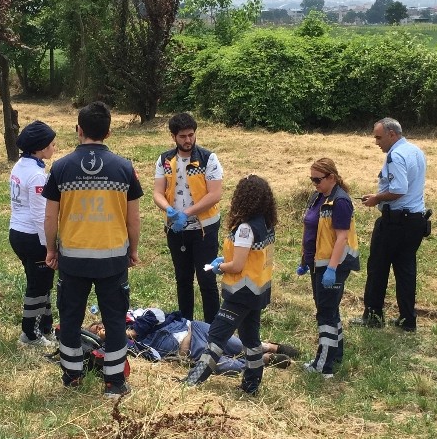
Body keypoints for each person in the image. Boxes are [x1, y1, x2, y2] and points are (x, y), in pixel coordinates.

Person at [42, 101, 143, 399]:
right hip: (112, 259)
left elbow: (50, 216)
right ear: (109, 132)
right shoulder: (124, 168)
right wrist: (133, 249)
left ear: (79, 130)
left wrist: (51, 249)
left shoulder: (60, 168)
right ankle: (114, 382)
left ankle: (72, 376)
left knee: (70, 319)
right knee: (114, 321)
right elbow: (133, 218)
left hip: (73, 259)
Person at [183, 174, 277, 394]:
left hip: (240, 293)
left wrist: (220, 266)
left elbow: (237, 266)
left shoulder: (245, 229)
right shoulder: (266, 224)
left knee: (216, 336)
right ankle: (251, 384)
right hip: (257, 291)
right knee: (250, 340)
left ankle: (193, 380)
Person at [354, 117, 428, 332]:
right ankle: (407, 320)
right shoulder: (415, 150)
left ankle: (373, 316)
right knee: (406, 270)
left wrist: (377, 198)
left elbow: (399, 189)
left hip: (395, 221)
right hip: (415, 219)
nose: (377, 142)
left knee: (378, 267)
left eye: (379, 137)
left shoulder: (395, 156)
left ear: (392, 134)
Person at [152, 113, 223, 323]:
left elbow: (215, 194)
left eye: (191, 135)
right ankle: (185, 325)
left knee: (207, 280)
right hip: (177, 230)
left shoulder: (208, 158)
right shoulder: (165, 160)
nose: (188, 140)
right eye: (182, 136)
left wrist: (187, 213)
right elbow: (157, 192)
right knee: (182, 279)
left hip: (204, 229)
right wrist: (170, 211)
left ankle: (212, 329)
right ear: (173, 136)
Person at [298, 158, 360, 378]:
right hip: (318, 263)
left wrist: (332, 269)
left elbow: (341, 238)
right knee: (330, 310)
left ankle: (324, 365)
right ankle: (336, 354)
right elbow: (313, 230)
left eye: (318, 179)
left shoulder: (340, 202)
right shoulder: (318, 197)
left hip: (333, 265)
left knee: (325, 313)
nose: (314, 183)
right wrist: (305, 259)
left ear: (332, 177)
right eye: (311, 179)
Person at [88, 309, 299, 371]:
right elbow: (152, 357)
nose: (100, 330)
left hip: (193, 328)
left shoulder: (132, 316)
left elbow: (158, 314)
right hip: (189, 350)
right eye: (96, 332)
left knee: (234, 344)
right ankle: (267, 360)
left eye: (99, 325)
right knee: (222, 365)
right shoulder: (126, 348)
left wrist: (131, 331)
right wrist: (121, 340)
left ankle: (270, 346)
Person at [9, 120, 58, 347]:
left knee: (41, 281)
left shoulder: (21, 165)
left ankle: (45, 327)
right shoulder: (37, 176)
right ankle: (31, 334)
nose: (54, 147)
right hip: (32, 236)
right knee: (38, 286)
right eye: (51, 144)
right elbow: (41, 216)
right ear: (39, 148)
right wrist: (50, 245)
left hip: (17, 231)